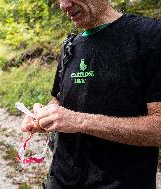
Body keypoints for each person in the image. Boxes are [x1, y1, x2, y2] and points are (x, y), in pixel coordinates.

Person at [21, 0, 161, 188]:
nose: (63, 5)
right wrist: (46, 114)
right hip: (60, 180)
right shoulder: (70, 46)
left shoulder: (150, 36)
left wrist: (79, 121)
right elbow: (58, 99)